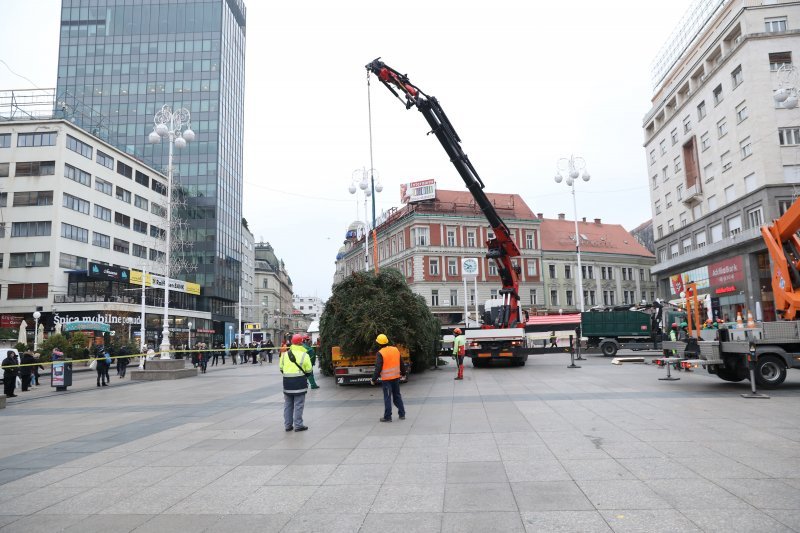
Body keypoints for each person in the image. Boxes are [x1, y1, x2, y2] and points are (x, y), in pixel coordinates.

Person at [279, 333, 312, 432]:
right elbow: (309, 370)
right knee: (299, 404)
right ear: (301, 343)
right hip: (299, 382)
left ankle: (288, 425)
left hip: (287, 383)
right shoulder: (304, 355)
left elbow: (281, 368)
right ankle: (298, 425)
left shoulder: (284, 354)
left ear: (292, 342)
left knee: (288, 404)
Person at [370, 334, 407, 422]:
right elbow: (401, 362)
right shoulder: (395, 349)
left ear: (378, 343)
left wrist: (373, 379)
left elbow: (378, 367)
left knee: (387, 397)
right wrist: (404, 373)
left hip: (387, 380)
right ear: (387, 341)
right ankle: (402, 414)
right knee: (397, 396)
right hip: (396, 377)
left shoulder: (380, 353)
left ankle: (388, 417)